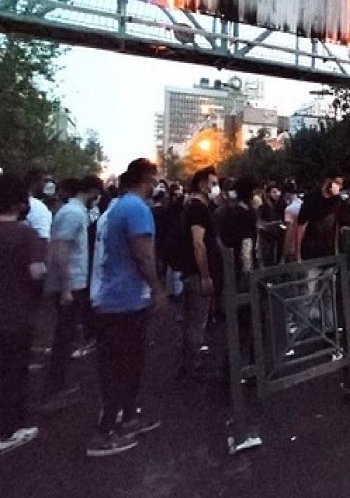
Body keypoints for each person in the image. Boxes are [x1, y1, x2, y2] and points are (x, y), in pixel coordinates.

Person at [90, 158, 165, 457]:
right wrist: (157, 289)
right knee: (119, 367)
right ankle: (104, 432)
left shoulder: (119, 207)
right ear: (146, 179)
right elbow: (143, 255)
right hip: (123, 301)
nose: (157, 184)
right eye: (155, 179)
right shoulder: (136, 209)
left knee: (127, 364)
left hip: (116, 298)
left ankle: (129, 418)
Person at [41, 176, 104, 409]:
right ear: (90, 191)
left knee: (65, 336)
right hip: (70, 285)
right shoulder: (74, 213)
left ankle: (58, 387)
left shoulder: (73, 212)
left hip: (72, 283)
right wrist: (66, 287)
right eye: (96, 193)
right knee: (63, 338)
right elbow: (60, 250)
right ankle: (53, 391)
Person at [0, 174, 46, 455]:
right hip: (16, 315)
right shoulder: (25, 233)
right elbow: (36, 272)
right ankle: (9, 429)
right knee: (14, 373)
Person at [178, 167, 223, 378]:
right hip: (197, 274)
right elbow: (199, 244)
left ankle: (188, 361)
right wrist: (205, 275)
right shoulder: (198, 209)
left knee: (191, 320)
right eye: (214, 183)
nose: (216, 188)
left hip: (191, 272)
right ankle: (192, 365)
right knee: (197, 320)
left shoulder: (194, 206)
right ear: (203, 184)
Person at [24, 169, 52, 252]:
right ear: (35, 182)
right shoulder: (38, 207)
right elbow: (42, 240)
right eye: (44, 181)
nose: (45, 185)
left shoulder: (13, 204)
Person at [282, 182, 302, 263]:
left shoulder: (289, 209)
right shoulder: (302, 204)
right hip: (303, 243)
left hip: (293, 245)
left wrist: (285, 250)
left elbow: (289, 231)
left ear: (286, 193)